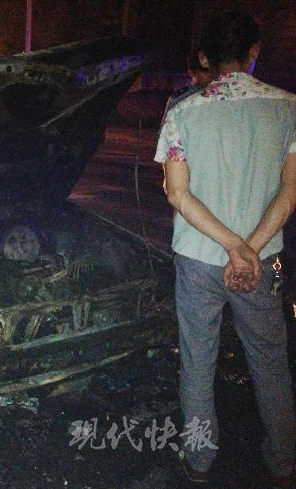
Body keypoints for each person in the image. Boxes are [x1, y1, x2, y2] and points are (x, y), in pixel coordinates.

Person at [155, 9, 296, 487]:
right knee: (270, 362)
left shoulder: (183, 112)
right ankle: (283, 464)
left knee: (198, 360)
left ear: (205, 57)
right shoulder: (288, 108)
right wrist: (248, 249)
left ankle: (199, 461)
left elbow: (177, 194)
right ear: (253, 52)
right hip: (261, 261)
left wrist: (231, 246)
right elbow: (289, 194)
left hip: (199, 260)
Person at [160, 47, 213, 129]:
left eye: (213, 69)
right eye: (205, 70)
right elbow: (166, 131)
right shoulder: (179, 99)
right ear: (191, 71)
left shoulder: (220, 93)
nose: (211, 74)